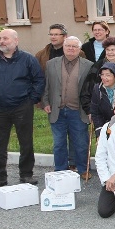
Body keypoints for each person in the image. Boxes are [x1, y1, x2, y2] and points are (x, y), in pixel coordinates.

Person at [0, 29, 45, 190]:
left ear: (16, 41)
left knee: (26, 142)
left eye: (6, 38)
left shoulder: (27, 59)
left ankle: (26, 174)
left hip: (22, 107)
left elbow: (38, 79)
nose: (2, 41)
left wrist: (32, 99)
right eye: (0, 38)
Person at [41, 36, 94, 178]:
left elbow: (90, 89)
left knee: (81, 142)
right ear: (63, 47)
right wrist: (45, 102)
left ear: (79, 49)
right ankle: (60, 170)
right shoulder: (51, 64)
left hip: (78, 111)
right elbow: (46, 85)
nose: (71, 49)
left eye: (74, 46)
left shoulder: (88, 65)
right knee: (59, 143)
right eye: (68, 46)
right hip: (56, 109)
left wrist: (90, 109)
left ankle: (83, 169)